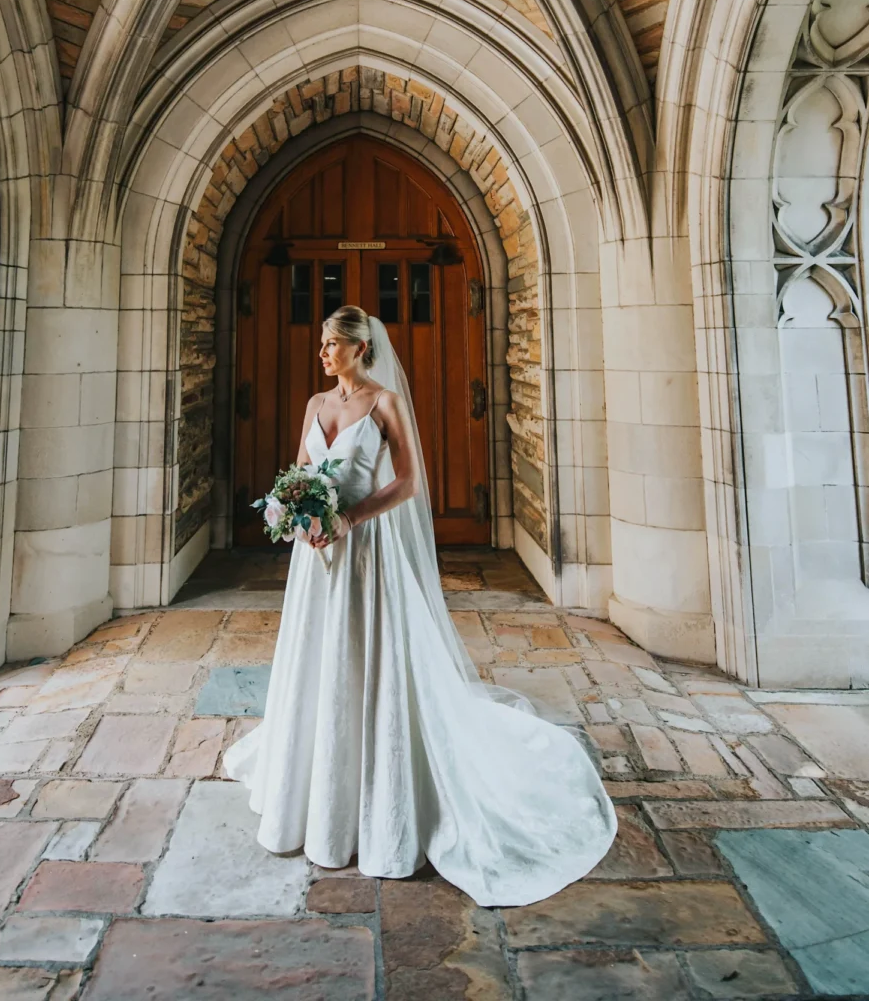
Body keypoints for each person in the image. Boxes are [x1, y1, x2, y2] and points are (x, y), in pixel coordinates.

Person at [223, 304, 617, 905]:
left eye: (334, 344)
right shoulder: (314, 405)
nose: (323, 352)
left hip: (364, 547)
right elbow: (300, 472)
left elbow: (408, 482)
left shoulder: (385, 404)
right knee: (319, 658)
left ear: (361, 349)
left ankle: (385, 798)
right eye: (323, 343)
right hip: (317, 556)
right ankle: (316, 784)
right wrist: (294, 512)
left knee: (373, 657)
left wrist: (348, 518)